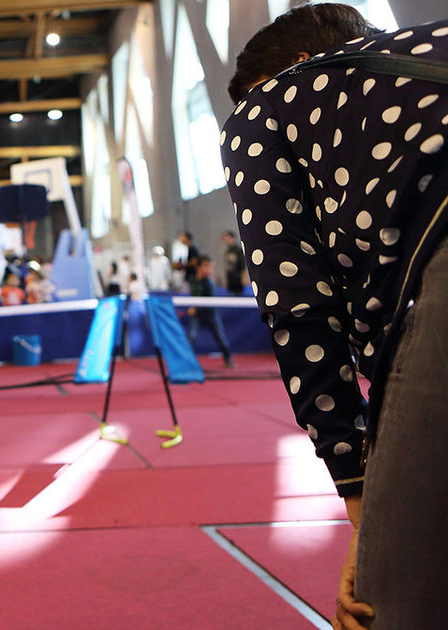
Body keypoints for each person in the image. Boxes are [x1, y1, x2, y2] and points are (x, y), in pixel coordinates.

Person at [223, 6, 448, 629]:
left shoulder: (266, 105)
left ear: (288, 70)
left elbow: (297, 306)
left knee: (397, 602)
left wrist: (359, 500)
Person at [184, 256, 234, 368]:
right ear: (198, 267)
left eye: (211, 267)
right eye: (207, 266)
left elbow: (208, 302)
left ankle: (228, 359)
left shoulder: (209, 283)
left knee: (221, 338)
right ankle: (185, 361)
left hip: (211, 315)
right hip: (197, 316)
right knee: (190, 336)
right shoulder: (192, 281)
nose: (210, 269)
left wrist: (195, 308)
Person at [221, 230, 246, 295]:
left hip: (237, 278)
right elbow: (227, 266)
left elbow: (242, 264)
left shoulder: (238, 249)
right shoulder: (228, 250)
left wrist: (243, 278)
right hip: (230, 278)